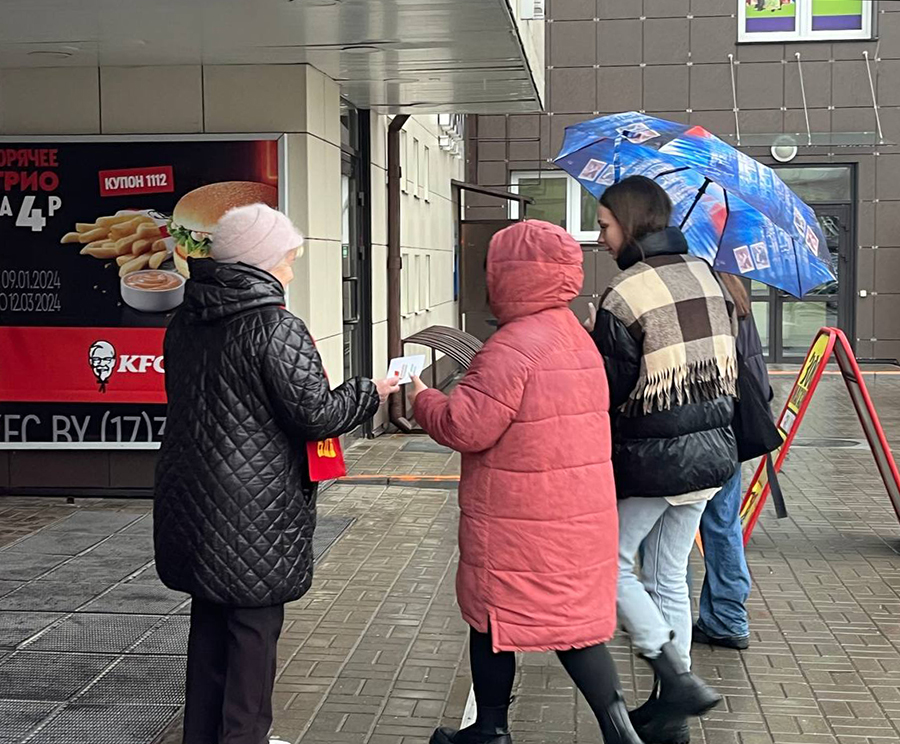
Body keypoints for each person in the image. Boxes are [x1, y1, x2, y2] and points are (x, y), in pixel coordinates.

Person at [154, 203, 399, 744]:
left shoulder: (185, 321)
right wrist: (371, 391)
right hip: (255, 505)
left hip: (192, 495)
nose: (290, 271)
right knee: (254, 634)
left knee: (210, 626)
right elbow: (316, 416)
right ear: (260, 262)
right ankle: (244, 737)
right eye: (287, 259)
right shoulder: (275, 326)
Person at [410, 220, 643, 744]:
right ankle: (620, 731)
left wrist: (422, 396)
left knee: (493, 619)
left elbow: (465, 427)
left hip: (516, 521)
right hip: (576, 515)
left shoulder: (511, 347)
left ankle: (490, 729)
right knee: (574, 629)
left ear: (508, 274)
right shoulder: (576, 338)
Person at [586, 176, 734, 744]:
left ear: (629, 222)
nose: (601, 237)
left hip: (656, 457)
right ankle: (672, 715)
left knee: (609, 565)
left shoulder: (626, 293)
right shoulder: (706, 275)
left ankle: (676, 681)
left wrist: (593, 341)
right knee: (668, 574)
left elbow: (612, 388)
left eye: (605, 225)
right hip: (711, 453)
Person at [693, 273, 771, 651]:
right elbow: (757, 373)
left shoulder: (702, 296)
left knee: (666, 526)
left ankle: (658, 615)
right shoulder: (736, 295)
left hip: (704, 425)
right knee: (723, 524)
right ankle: (727, 617)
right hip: (733, 426)